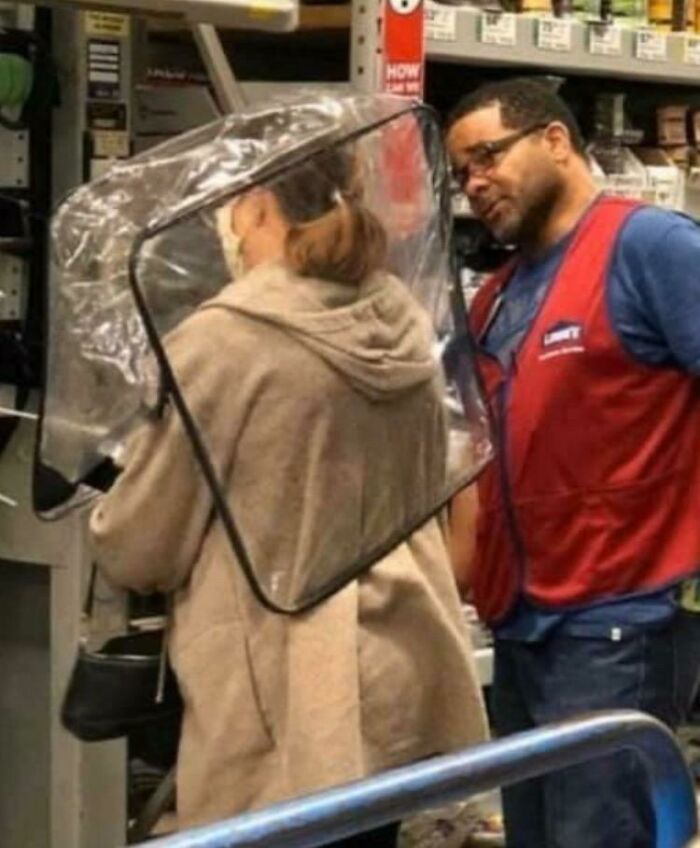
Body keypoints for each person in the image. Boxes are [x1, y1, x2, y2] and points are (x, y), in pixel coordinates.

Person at [89, 143, 488, 841]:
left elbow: (142, 544)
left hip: (286, 691)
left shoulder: (225, 339)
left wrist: (106, 515)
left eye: (232, 208)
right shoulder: (401, 315)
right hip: (401, 657)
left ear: (261, 206)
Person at [446, 77, 700, 848]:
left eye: (487, 156)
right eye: (460, 174)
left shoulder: (649, 248)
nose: (475, 183)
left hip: (622, 621)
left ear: (555, 140)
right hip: (525, 628)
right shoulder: (494, 298)